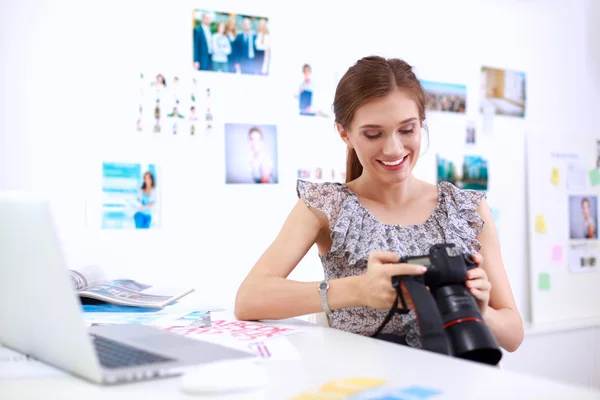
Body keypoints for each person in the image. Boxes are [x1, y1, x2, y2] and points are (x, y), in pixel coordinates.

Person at [234, 56, 524, 353]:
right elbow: (249, 299)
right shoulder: (326, 206)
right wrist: (357, 290)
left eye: (407, 130)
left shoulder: (466, 208)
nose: (393, 148)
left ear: (421, 123)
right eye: (373, 134)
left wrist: (479, 310)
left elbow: (513, 334)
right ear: (344, 133)